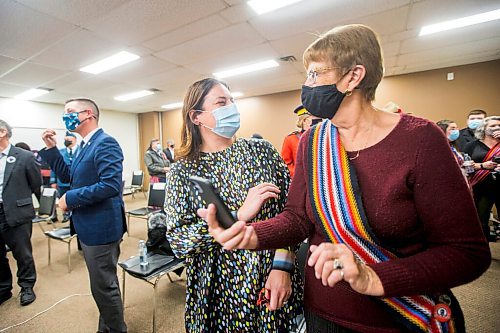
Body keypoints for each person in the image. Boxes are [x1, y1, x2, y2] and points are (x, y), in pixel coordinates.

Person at [201, 24, 491, 333]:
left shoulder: (421, 140)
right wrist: (252, 234)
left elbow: (466, 253)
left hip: (395, 316)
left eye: (315, 75)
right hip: (324, 312)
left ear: (353, 76)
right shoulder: (313, 141)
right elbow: (298, 219)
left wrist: (372, 278)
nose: (306, 85)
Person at [164, 78, 302, 332]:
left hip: (268, 279)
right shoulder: (182, 170)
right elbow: (179, 240)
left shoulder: (262, 152)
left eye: (232, 100)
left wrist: (283, 266)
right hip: (215, 289)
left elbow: (293, 213)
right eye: (221, 102)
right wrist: (236, 216)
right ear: (197, 117)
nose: (232, 107)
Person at [40, 98, 127, 333]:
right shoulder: (83, 145)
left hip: (102, 226)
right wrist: (51, 149)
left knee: (103, 286)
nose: (65, 117)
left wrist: (71, 199)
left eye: (69, 112)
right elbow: (69, 175)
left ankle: (117, 329)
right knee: (102, 284)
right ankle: (106, 327)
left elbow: (110, 185)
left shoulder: (105, 143)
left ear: (88, 114)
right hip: (89, 223)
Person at [0, 120, 41, 306]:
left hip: (17, 212)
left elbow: (36, 184)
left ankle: (26, 287)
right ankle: (3, 288)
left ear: (2, 132)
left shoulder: (24, 156)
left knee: (22, 253)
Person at [463, 116, 500, 242]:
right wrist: (482, 166)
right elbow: (463, 164)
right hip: (481, 186)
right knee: (481, 220)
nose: (497, 128)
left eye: (499, 126)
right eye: (493, 126)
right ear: (483, 129)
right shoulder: (471, 145)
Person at [281, 105, 319, 177]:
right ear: (304, 121)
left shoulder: (320, 137)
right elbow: (285, 163)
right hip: (301, 179)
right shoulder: (291, 139)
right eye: (313, 120)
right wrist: (297, 174)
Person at [50, 132, 79, 222]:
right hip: (62, 183)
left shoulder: (82, 151)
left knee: (76, 199)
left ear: (75, 140)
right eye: (65, 140)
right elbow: (54, 167)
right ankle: (66, 214)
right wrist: (53, 181)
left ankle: (76, 214)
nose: (67, 141)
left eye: (69, 139)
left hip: (77, 182)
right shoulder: (60, 152)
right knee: (64, 199)